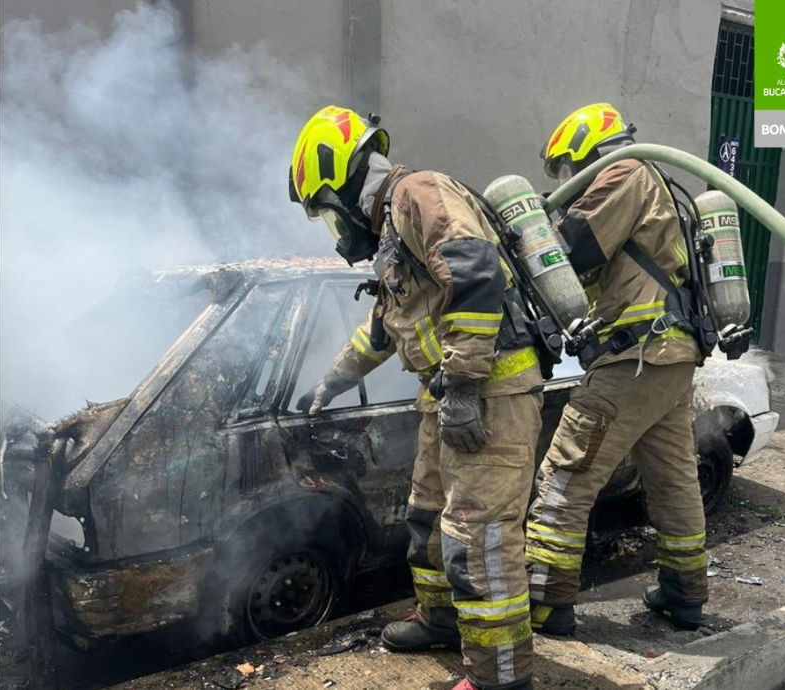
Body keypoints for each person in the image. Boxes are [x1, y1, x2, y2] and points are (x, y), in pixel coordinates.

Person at [289, 106, 544, 690]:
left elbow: (478, 276)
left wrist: (460, 388)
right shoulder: (390, 233)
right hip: (446, 395)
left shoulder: (417, 194)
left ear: (345, 180)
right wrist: (330, 382)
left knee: (479, 539)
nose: (334, 229)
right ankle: (442, 620)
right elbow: (385, 330)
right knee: (427, 520)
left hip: (489, 390)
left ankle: (499, 677)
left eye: (326, 211)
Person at [525, 103, 708, 635]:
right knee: (673, 482)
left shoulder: (625, 173)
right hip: (670, 362)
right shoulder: (660, 185)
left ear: (588, 150)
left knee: (565, 475)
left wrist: (536, 228)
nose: (570, 182)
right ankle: (684, 594)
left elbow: (573, 247)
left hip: (634, 360)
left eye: (569, 168)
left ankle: (547, 602)